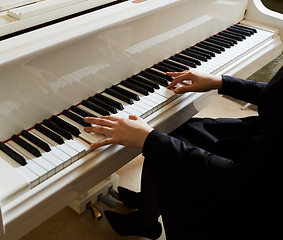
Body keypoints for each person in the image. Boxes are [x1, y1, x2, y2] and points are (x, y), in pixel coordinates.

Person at [84, 68, 283, 240]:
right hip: (266, 138)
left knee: (164, 143)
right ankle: (148, 204)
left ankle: (146, 222)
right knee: (169, 137)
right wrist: (222, 82)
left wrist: (148, 138)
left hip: (256, 191)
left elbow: (243, 183)